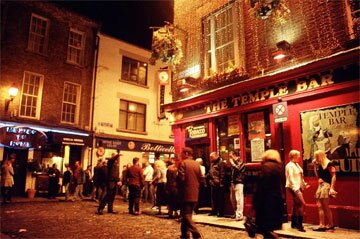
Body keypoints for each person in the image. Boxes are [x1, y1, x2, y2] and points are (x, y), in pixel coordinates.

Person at [253, 149, 284, 239]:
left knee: (264, 228)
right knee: (268, 228)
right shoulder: (279, 168)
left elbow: (261, 187)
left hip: (266, 203)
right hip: (277, 201)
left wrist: (255, 203)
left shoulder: (266, 167)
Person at [177, 147, 204, 239]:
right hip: (195, 192)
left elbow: (181, 179)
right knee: (188, 214)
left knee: (185, 215)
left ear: (186, 153)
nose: (181, 155)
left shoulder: (183, 163)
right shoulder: (197, 164)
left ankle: (196, 233)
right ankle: (185, 234)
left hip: (185, 193)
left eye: (182, 153)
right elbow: (201, 178)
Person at [312, 149, 337, 231]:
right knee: (319, 206)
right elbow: (317, 176)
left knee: (325, 206)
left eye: (316, 156)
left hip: (326, 185)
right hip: (321, 185)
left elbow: (333, 176)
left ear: (320, 156)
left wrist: (332, 188)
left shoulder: (329, 163)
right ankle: (322, 224)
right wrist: (315, 166)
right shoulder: (319, 164)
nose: (315, 158)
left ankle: (329, 224)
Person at [285, 150, 309, 232]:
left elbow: (299, 176)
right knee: (301, 204)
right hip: (293, 187)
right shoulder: (290, 166)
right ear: (293, 156)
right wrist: (296, 189)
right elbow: (291, 178)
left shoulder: (296, 164)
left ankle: (294, 223)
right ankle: (300, 225)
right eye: (298, 155)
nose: (299, 157)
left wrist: (304, 183)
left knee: (296, 204)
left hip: (298, 186)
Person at [207, 151, 226, 217]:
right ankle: (214, 210)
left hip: (218, 183)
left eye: (211, 157)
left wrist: (221, 183)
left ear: (216, 156)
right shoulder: (212, 163)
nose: (210, 159)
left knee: (220, 198)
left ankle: (221, 212)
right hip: (213, 183)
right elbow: (210, 172)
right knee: (214, 198)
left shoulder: (221, 162)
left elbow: (222, 173)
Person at [229, 150, 246, 221]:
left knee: (239, 199)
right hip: (233, 182)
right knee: (233, 199)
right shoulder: (234, 162)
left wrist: (233, 163)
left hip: (239, 182)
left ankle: (239, 215)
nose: (229, 157)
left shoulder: (240, 161)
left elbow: (238, 168)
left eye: (230, 155)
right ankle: (236, 213)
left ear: (234, 155)